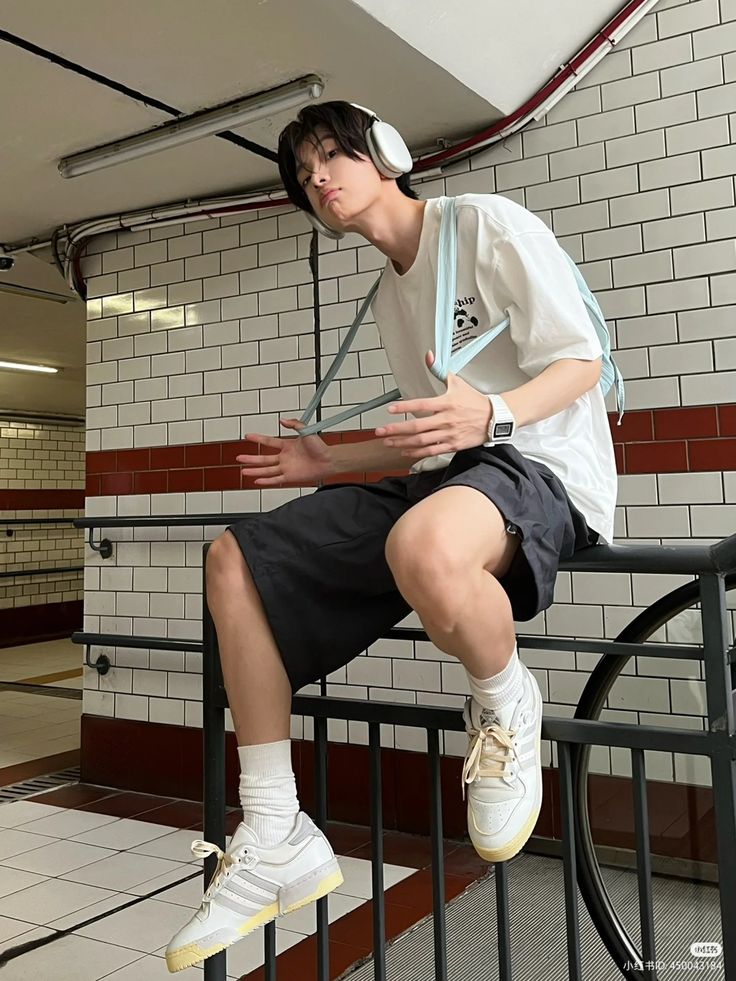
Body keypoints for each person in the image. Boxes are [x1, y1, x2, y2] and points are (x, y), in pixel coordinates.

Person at [165, 101, 617, 972]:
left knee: (423, 545)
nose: (320, 178)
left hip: (544, 462)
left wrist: (494, 409)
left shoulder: (483, 224)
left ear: (388, 154)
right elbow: (427, 437)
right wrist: (320, 460)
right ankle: (274, 828)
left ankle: (507, 703)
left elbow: (582, 355)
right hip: (454, 480)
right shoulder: (390, 294)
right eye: (304, 174)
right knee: (237, 562)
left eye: (333, 154)